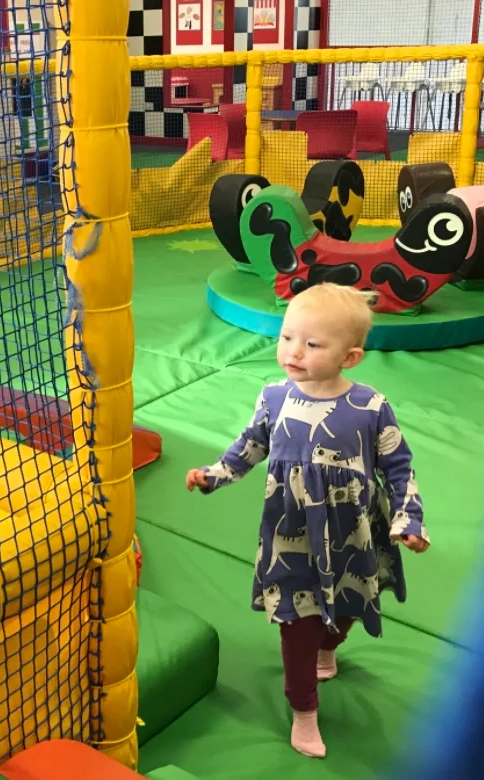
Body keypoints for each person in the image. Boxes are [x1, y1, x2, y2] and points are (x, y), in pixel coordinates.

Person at [184, 282, 430, 759]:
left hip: (352, 532)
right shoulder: (274, 397)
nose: (293, 351)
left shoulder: (370, 407)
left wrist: (409, 518)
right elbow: (249, 446)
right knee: (296, 622)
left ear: (350, 357)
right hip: (290, 532)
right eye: (287, 337)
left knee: (347, 609)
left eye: (312, 344)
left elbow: (398, 466)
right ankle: (304, 711)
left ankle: (328, 646)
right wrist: (214, 475)